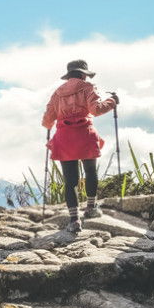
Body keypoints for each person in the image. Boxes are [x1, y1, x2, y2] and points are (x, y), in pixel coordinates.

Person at [42, 59, 118, 233]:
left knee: (70, 180)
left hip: (64, 137)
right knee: (90, 171)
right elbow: (97, 110)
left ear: (68, 76)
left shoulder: (57, 93)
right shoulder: (88, 87)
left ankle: (74, 220)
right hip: (84, 134)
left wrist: (49, 126)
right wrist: (112, 101)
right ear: (84, 74)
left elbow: (48, 119)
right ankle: (91, 208)